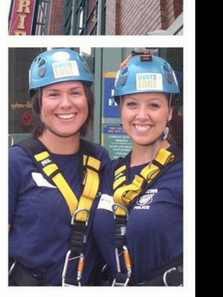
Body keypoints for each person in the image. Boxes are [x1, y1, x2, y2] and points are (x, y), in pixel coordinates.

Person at [9, 48, 110, 286]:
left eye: (75, 92)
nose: (66, 104)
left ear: (87, 100)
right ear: (38, 103)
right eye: (53, 94)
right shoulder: (15, 162)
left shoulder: (99, 159)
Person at [93, 51, 183, 286]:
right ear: (120, 108)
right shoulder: (107, 173)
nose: (142, 116)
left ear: (170, 111)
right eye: (132, 104)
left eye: (154, 105)